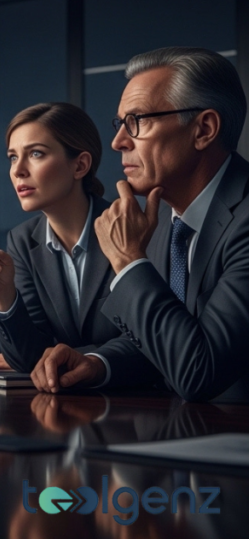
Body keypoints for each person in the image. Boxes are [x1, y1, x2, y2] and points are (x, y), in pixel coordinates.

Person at [34, 46, 249, 402]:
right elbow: (167, 337)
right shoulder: (162, 216)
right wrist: (98, 362)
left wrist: (129, 260)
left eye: (137, 121)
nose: (118, 142)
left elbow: (200, 370)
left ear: (204, 129)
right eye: (120, 124)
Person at [0, 103, 136, 376]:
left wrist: (68, 356)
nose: (18, 170)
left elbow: (148, 339)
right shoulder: (22, 240)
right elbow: (29, 359)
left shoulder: (129, 225)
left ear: (80, 165)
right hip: (61, 397)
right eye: (13, 157)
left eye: (36, 153)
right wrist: (3, 293)